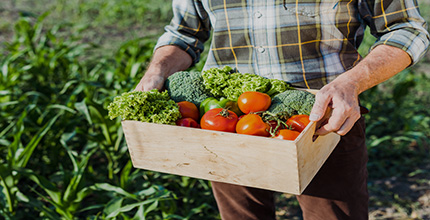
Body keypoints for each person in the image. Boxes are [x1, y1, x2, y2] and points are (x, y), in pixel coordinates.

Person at [135, 1, 429, 219]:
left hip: (323, 121)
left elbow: (407, 28)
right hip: (227, 126)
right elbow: (184, 33)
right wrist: (155, 73)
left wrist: (351, 82)